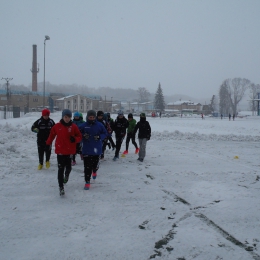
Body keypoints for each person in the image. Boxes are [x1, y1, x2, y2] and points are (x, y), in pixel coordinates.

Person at [46, 109, 82, 196]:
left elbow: (79, 136)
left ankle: (66, 176)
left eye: (68, 117)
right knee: (60, 169)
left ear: (70, 118)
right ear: (63, 117)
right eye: (65, 117)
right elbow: (51, 135)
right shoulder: (57, 126)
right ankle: (61, 187)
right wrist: (48, 143)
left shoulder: (73, 127)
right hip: (60, 151)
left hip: (69, 152)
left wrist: (75, 139)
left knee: (68, 168)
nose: (67, 119)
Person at [79, 110, 108, 190]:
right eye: (90, 117)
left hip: (97, 149)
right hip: (87, 149)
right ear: (87, 117)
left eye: (93, 117)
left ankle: (94, 171)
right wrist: (83, 136)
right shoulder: (83, 126)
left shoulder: (99, 125)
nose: (91, 119)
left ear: (95, 117)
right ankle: (87, 182)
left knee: (94, 165)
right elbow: (77, 134)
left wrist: (99, 137)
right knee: (87, 167)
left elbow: (105, 133)